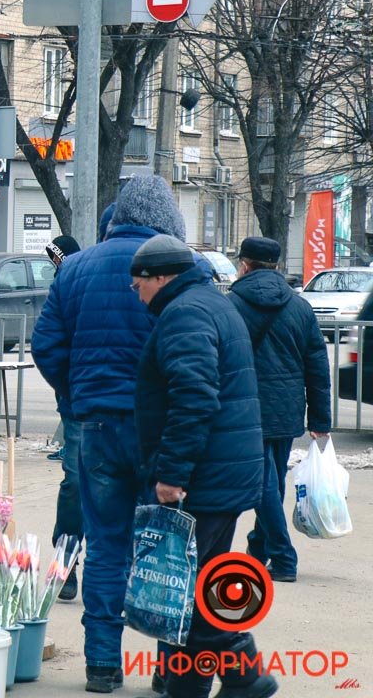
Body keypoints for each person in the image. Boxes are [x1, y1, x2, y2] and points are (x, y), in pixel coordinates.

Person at [30, 174, 187, 693]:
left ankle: (102, 665)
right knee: (168, 549)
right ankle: (169, 669)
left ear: (118, 215)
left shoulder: (74, 268)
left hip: (95, 425)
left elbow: (47, 345)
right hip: (160, 435)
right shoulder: (183, 268)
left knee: (106, 546)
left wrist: (76, 398)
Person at [131, 235, 273, 698]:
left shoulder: (186, 313)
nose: (137, 293)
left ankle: (216, 681)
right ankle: (242, 677)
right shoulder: (208, 301)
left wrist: (171, 475)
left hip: (204, 478)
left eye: (139, 285)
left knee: (192, 594)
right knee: (202, 585)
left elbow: (193, 400)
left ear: (161, 277)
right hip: (221, 471)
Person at [228, 236, 331, 583]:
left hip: (246, 408)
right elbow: (317, 366)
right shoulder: (300, 307)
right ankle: (258, 550)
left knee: (262, 483)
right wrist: (320, 420)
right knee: (271, 480)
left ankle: (283, 557)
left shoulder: (232, 305)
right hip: (287, 408)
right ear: (276, 265)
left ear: (244, 265)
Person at [39, 234, 83, 600]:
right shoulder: (70, 282)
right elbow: (48, 345)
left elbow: (47, 346)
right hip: (84, 405)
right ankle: (66, 567)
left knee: (77, 484)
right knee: (78, 483)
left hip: (84, 404)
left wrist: (66, 387)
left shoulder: (71, 279)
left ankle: (69, 567)